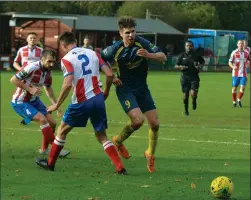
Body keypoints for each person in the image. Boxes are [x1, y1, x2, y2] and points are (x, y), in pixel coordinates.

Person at [35, 32, 127, 175]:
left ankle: (50, 164)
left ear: (63, 45)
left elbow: (66, 84)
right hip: (98, 98)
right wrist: (107, 91)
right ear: (75, 41)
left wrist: (57, 105)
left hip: (81, 100)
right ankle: (120, 167)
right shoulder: (93, 53)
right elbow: (109, 74)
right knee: (102, 135)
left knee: (62, 130)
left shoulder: (67, 59)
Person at [100, 16, 167, 173]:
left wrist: (149, 55)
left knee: (155, 124)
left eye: (133, 32)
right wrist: (112, 76)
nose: (131, 35)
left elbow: (163, 57)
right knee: (137, 121)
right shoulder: (114, 49)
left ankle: (150, 154)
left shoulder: (142, 43)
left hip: (142, 88)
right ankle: (118, 141)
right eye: (128, 32)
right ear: (121, 33)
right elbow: (100, 59)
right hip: (125, 89)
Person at [10, 50, 70, 158]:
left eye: (53, 62)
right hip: (20, 102)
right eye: (49, 61)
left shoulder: (48, 72)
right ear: (42, 59)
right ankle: (57, 149)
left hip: (34, 101)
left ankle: (44, 149)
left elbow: (48, 89)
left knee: (52, 123)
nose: (51, 64)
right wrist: (30, 89)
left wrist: (56, 105)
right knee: (42, 119)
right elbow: (13, 79)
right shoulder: (31, 67)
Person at [13, 32, 43, 125]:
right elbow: (15, 63)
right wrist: (20, 69)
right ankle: (28, 116)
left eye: (34, 38)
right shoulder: (22, 50)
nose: (32, 40)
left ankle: (29, 117)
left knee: (33, 96)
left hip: (35, 78)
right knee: (22, 96)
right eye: (31, 38)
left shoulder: (41, 51)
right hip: (23, 77)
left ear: (36, 40)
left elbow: (44, 63)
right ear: (27, 39)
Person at [174, 40, 205, 116]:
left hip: (194, 77)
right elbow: (175, 66)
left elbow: (202, 62)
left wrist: (199, 66)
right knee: (185, 96)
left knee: (193, 94)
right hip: (184, 77)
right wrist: (180, 67)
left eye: (190, 46)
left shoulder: (196, 55)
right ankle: (186, 110)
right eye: (187, 46)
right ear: (185, 47)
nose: (189, 47)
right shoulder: (182, 56)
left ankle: (194, 101)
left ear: (192, 47)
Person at [228, 40, 250, 108]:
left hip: (243, 73)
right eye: (240, 43)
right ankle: (234, 102)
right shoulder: (234, 53)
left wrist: (248, 64)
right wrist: (233, 66)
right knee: (234, 89)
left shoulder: (246, 53)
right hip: (235, 74)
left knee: (242, 88)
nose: (241, 45)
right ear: (237, 44)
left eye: (242, 44)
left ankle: (239, 99)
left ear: (243, 45)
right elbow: (230, 62)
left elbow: (249, 60)